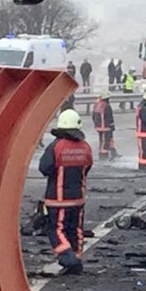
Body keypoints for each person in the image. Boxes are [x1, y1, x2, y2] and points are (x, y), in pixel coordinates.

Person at [39, 109, 93, 275]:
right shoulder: (85, 147)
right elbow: (88, 167)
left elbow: (45, 168)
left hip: (58, 199)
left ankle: (68, 257)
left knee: (56, 229)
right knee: (75, 229)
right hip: (78, 198)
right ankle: (76, 258)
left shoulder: (56, 146)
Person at [92, 90, 119, 160]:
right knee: (104, 141)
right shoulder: (107, 106)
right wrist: (112, 126)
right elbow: (109, 117)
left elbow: (93, 116)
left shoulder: (97, 104)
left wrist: (96, 124)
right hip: (105, 127)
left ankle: (112, 152)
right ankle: (103, 156)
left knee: (104, 140)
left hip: (99, 126)